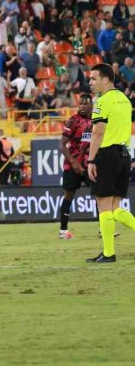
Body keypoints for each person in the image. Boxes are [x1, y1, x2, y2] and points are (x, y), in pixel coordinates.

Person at [85, 64, 135, 263]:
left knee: (103, 204)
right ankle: (107, 252)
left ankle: (108, 253)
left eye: (93, 78)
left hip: (107, 155)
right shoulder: (124, 98)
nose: (90, 82)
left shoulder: (102, 101)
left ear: (106, 80)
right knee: (115, 208)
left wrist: (90, 160)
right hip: (124, 154)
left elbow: (98, 132)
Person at [58, 94, 93, 239]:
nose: (82, 106)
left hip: (89, 164)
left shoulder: (96, 120)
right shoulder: (72, 121)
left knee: (99, 193)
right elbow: (62, 144)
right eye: (81, 103)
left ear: (92, 104)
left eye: (86, 103)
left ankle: (104, 229)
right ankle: (63, 231)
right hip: (72, 165)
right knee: (69, 195)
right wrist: (73, 161)